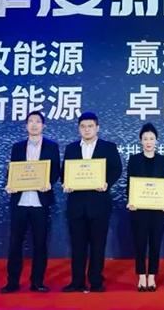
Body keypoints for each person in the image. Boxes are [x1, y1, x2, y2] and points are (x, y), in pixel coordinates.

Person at [61, 112, 123, 293]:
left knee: (98, 245)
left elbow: (117, 168)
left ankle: (96, 281)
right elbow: (65, 171)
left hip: (99, 204)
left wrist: (106, 183)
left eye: (90, 126)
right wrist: (66, 183)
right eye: (83, 126)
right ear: (78, 129)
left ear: (97, 128)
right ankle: (77, 282)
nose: (87, 129)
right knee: (77, 246)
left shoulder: (108, 147)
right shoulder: (71, 148)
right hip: (76, 205)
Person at [1, 112, 61, 294]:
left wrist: (49, 183)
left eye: (38, 121)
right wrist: (10, 183)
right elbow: (12, 170)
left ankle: (37, 282)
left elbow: (56, 170)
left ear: (43, 126)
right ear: (26, 126)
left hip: (40, 201)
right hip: (20, 201)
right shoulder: (17, 147)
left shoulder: (52, 146)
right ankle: (12, 282)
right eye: (30, 122)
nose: (34, 124)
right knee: (15, 243)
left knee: (40, 243)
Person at [127, 123, 164, 292]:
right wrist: (130, 200)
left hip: (158, 209)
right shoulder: (134, 160)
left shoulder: (163, 160)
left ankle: (152, 275)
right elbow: (130, 183)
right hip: (139, 209)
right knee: (139, 243)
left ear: (156, 141)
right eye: (145, 139)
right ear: (141, 141)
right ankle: (141, 275)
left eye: (151, 139)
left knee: (155, 242)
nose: (148, 142)